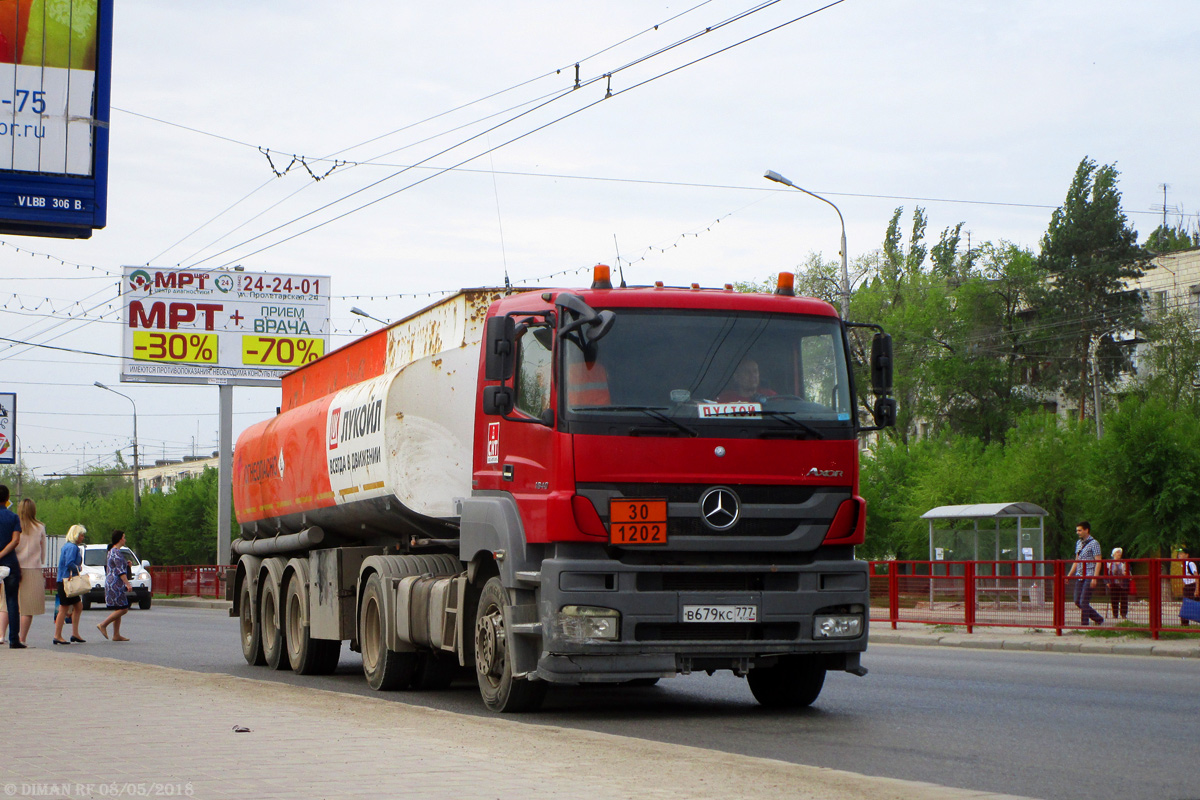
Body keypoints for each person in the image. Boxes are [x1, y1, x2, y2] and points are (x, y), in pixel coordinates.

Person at [96, 530, 133, 642]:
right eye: (124, 537)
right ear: (120, 539)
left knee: (119, 607)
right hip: (115, 583)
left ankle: (116, 635)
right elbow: (119, 571)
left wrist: (127, 565)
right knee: (124, 608)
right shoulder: (116, 552)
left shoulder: (112, 552)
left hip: (112, 582)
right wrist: (127, 583)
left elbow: (115, 566)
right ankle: (103, 624)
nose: (125, 539)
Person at [1065, 521, 1104, 626]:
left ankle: (1084, 624)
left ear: (1086, 530)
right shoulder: (1079, 543)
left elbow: (1098, 561)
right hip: (1080, 575)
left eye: (1080, 530)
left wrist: (1094, 578)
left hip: (1090, 574)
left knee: (1084, 601)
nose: (1078, 532)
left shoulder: (1094, 543)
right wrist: (1069, 575)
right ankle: (1098, 618)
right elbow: (1077, 561)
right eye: (1077, 530)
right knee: (1077, 600)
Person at [53, 524, 87, 644]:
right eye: (81, 535)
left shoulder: (66, 546)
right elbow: (69, 563)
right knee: (64, 608)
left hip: (63, 580)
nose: (83, 537)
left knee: (78, 606)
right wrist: (78, 568)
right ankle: (57, 635)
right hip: (66, 581)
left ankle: (75, 634)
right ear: (76, 535)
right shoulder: (73, 547)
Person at [0, 484, 24, 648]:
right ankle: (14, 640)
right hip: (10, 563)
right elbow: (16, 540)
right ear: (8, 499)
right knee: (12, 600)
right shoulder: (13, 517)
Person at [1107, 547, 1130, 621]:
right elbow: (1106, 573)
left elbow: (1129, 571)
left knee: (1124, 599)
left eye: (1120, 552)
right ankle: (1115, 614)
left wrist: (1126, 573)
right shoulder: (1109, 563)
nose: (1119, 554)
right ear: (1113, 554)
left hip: (1123, 583)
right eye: (1117, 552)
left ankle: (1123, 614)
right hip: (1113, 583)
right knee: (1114, 599)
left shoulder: (1124, 562)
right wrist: (1107, 582)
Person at [1180, 545, 1197, 627]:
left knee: (1188, 603)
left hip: (1192, 586)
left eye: (1182, 553)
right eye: (1179, 554)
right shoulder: (1183, 564)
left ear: (1187, 555)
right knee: (1186, 603)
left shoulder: (1190, 564)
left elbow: (1196, 576)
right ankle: (1184, 623)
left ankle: (1184, 623)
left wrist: (1197, 589)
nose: (1180, 555)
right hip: (1187, 586)